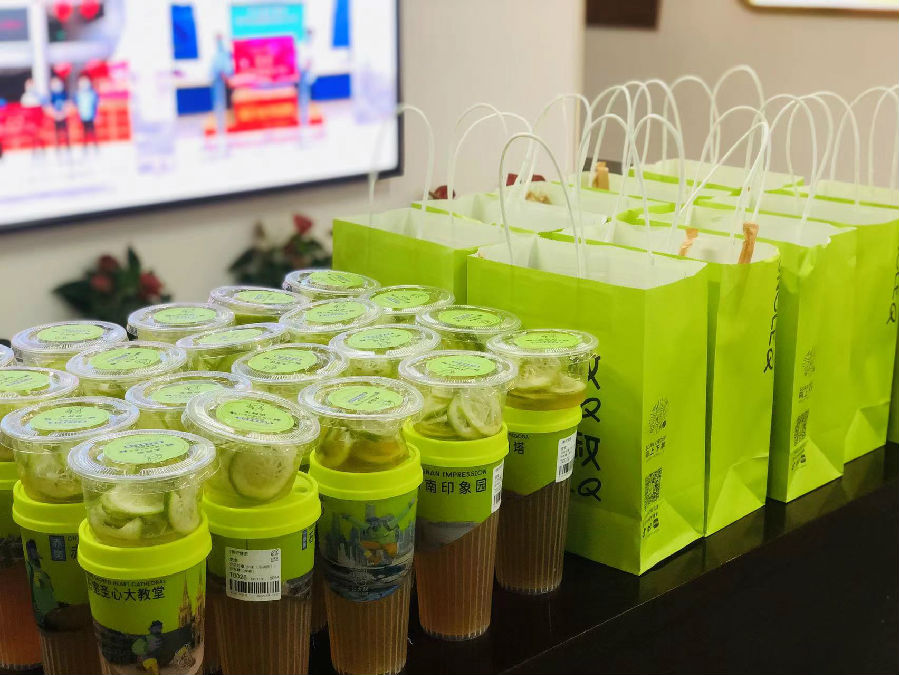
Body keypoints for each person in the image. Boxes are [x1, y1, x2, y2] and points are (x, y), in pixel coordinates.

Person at [209, 34, 233, 137]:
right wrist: (225, 78)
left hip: (225, 82)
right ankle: (221, 127)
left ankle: (224, 126)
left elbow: (226, 68)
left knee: (226, 105)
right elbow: (219, 69)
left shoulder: (225, 54)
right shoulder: (218, 55)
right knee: (220, 105)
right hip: (219, 82)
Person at [20, 79, 46, 156]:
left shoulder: (38, 96)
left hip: (38, 119)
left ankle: (41, 149)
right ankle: (33, 150)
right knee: (32, 136)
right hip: (30, 121)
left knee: (40, 134)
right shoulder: (25, 97)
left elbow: (43, 105)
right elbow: (24, 109)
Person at [296, 28, 316, 127]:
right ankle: (302, 117)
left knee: (307, 96)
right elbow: (298, 60)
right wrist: (303, 67)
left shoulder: (312, 47)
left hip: (308, 74)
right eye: (308, 35)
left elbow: (312, 62)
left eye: (311, 36)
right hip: (301, 73)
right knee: (301, 96)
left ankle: (306, 116)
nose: (309, 37)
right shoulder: (301, 46)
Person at [75, 74, 100, 150]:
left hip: (91, 115)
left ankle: (95, 146)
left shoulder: (93, 93)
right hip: (82, 115)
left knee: (93, 131)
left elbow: (96, 105)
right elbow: (77, 106)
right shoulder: (78, 94)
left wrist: (96, 115)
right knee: (84, 132)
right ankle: (85, 147)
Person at [46, 76, 70, 151]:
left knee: (65, 132)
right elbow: (50, 106)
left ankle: (67, 145)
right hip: (56, 116)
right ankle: (58, 146)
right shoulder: (52, 96)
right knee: (57, 132)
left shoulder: (64, 94)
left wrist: (64, 113)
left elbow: (67, 104)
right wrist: (55, 114)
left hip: (63, 115)